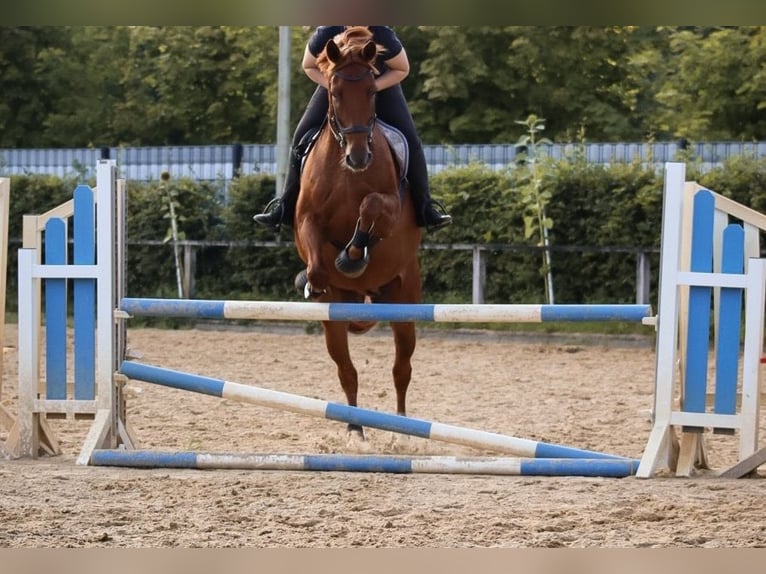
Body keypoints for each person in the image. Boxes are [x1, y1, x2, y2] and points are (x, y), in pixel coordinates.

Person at [253, 26, 452, 232]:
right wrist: (332, 86)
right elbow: (308, 65)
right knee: (301, 135)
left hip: (379, 86)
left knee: (410, 138)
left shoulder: (381, 32)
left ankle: (426, 208)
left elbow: (402, 68)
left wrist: (372, 87)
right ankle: (284, 207)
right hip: (338, 87)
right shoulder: (327, 31)